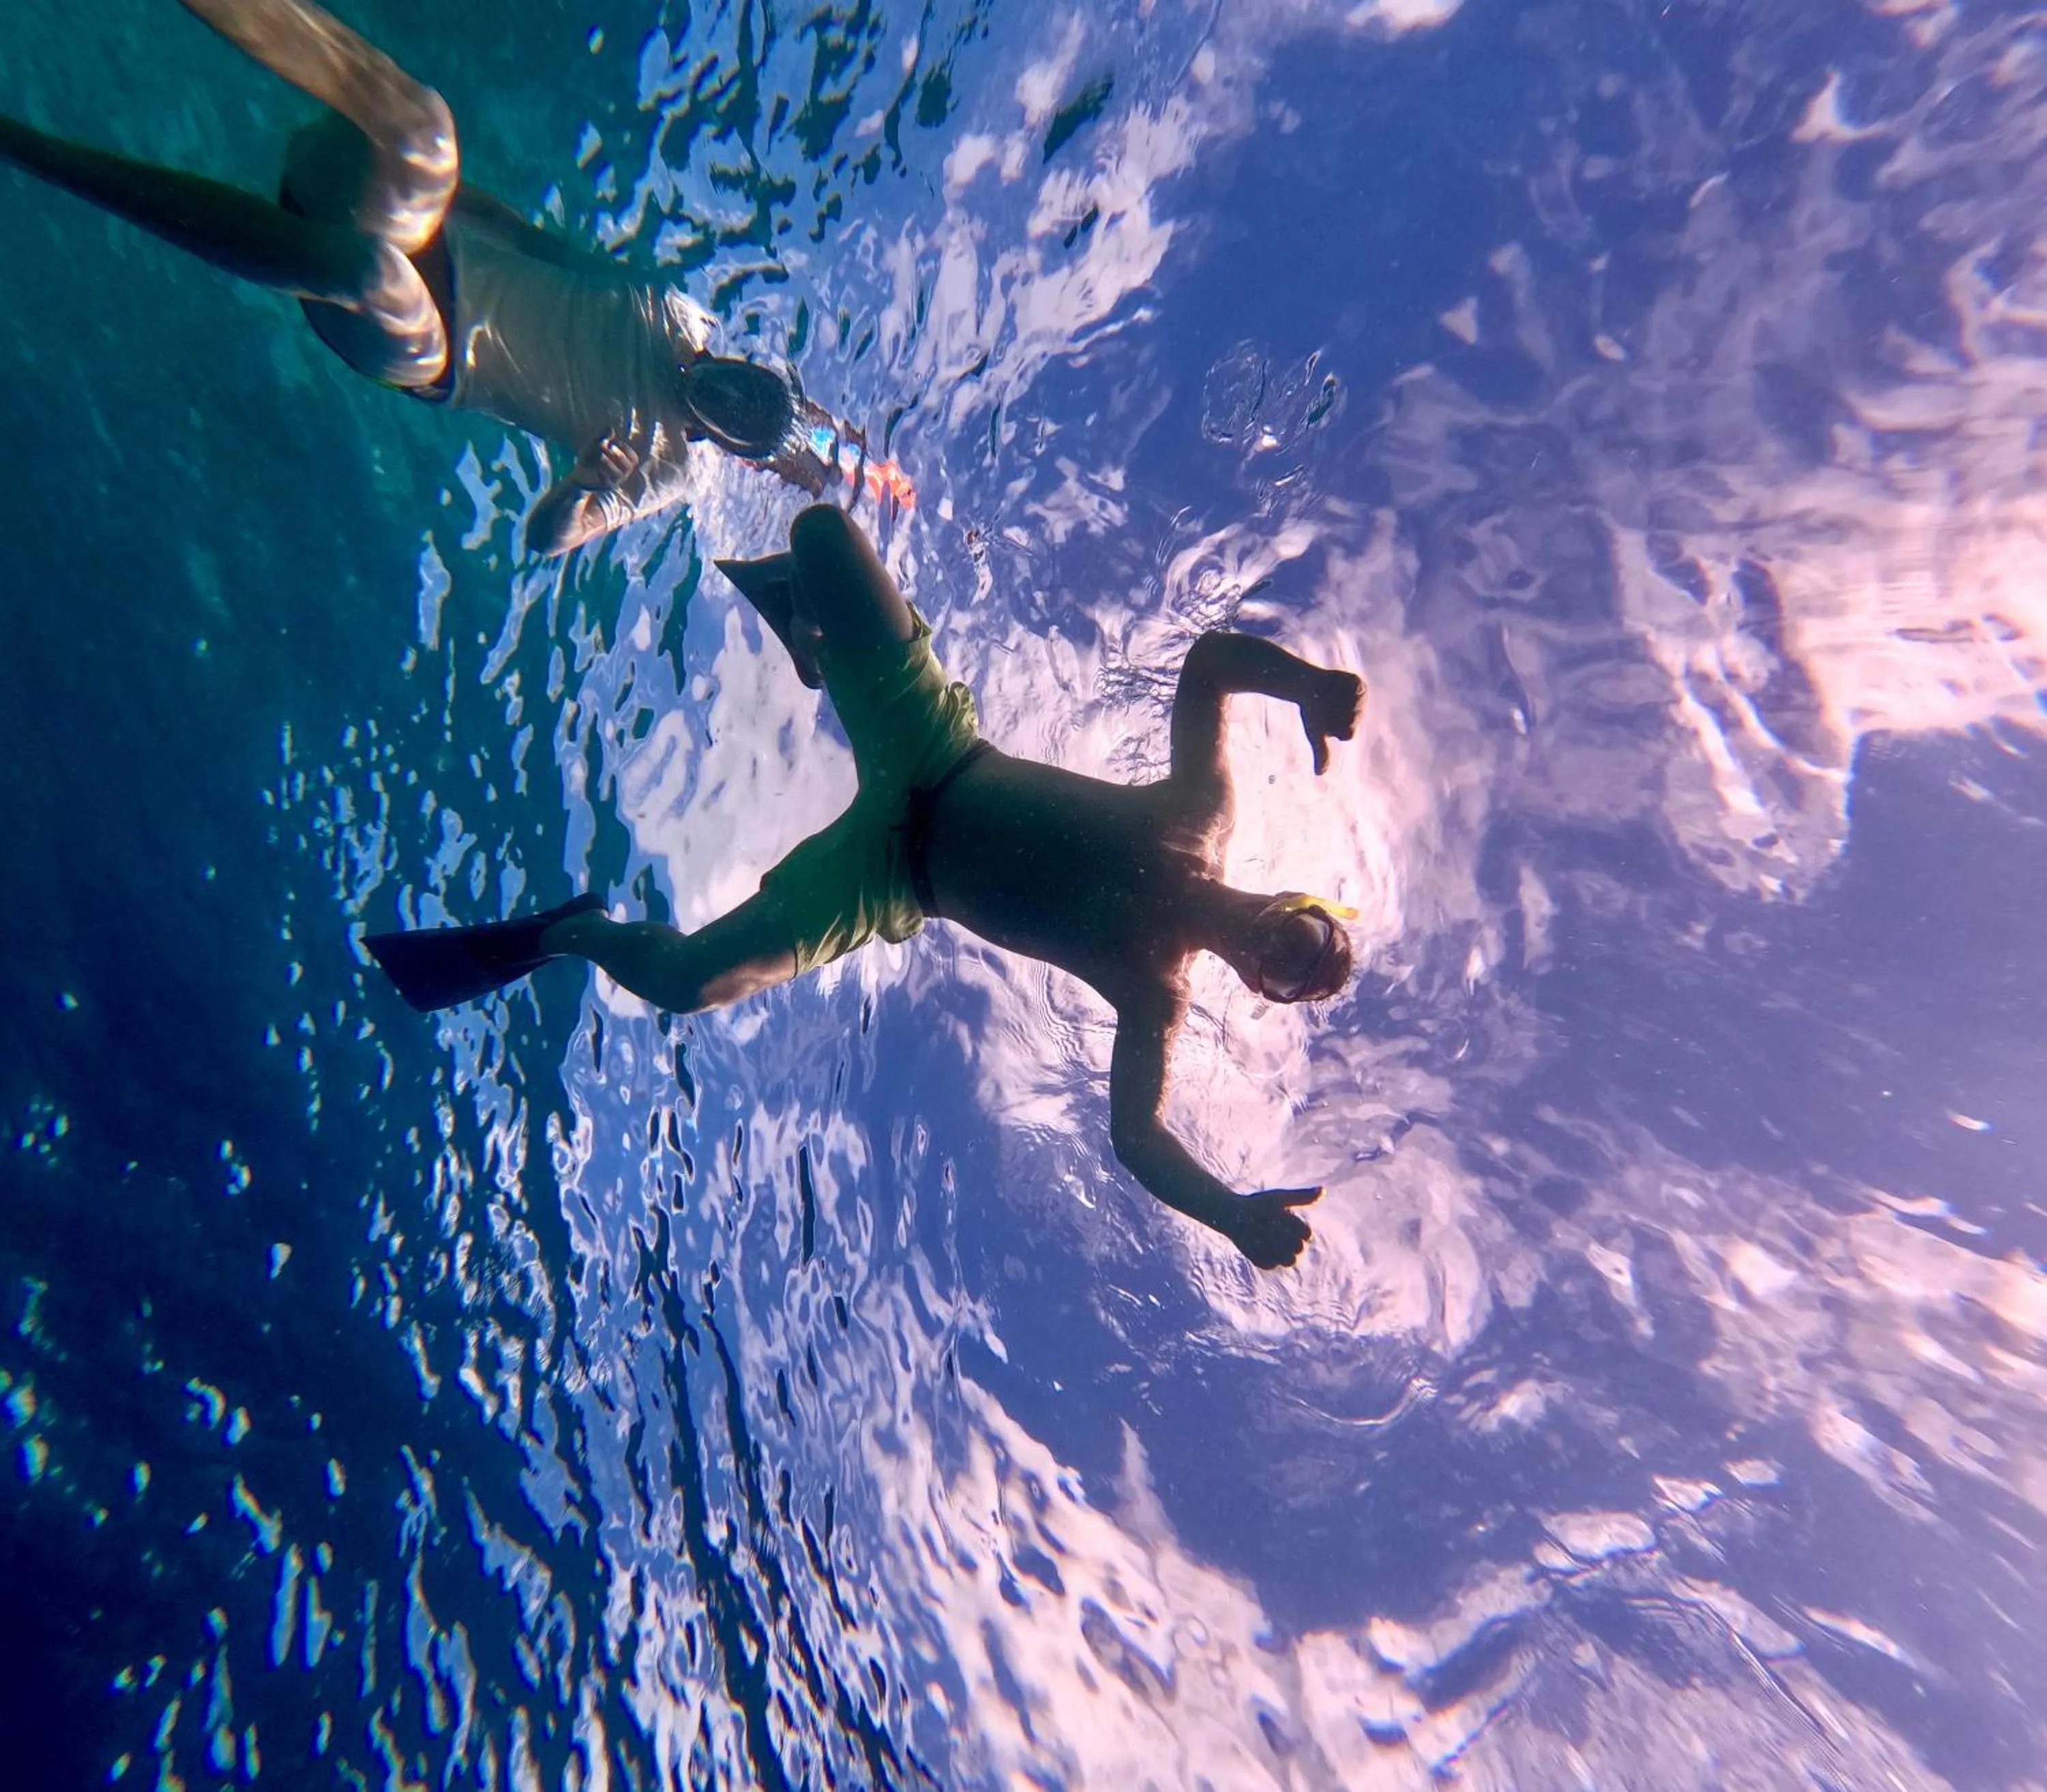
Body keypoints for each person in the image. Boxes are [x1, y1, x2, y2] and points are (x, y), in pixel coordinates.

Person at [368, 506, 1365, 1271]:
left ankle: (571, 932)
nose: (1287, 954)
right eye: (1310, 938)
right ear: (1299, 900)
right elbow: (1210, 663)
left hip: (889, 878)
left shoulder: (1157, 990)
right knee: (822, 534)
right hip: (930, 740)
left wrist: (1233, 1215)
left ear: (1261, 989)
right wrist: (1310, 683)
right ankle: (810, 636)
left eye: (1293, 978)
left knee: (681, 984)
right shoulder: (1202, 812)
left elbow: (1137, 1139)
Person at [0, 0, 871, 555]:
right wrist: (438, 194)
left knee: (369, 269)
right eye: (744, 383)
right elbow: (532, 240)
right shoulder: (671, 309)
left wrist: (584, 492)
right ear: (751, 361)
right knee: (425, 129)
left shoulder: (664, 467)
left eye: (732, 417)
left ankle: (34, 152)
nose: (721, 395)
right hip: (424, 231)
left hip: (422, 346)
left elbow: (545, 539)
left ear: (727, 444)